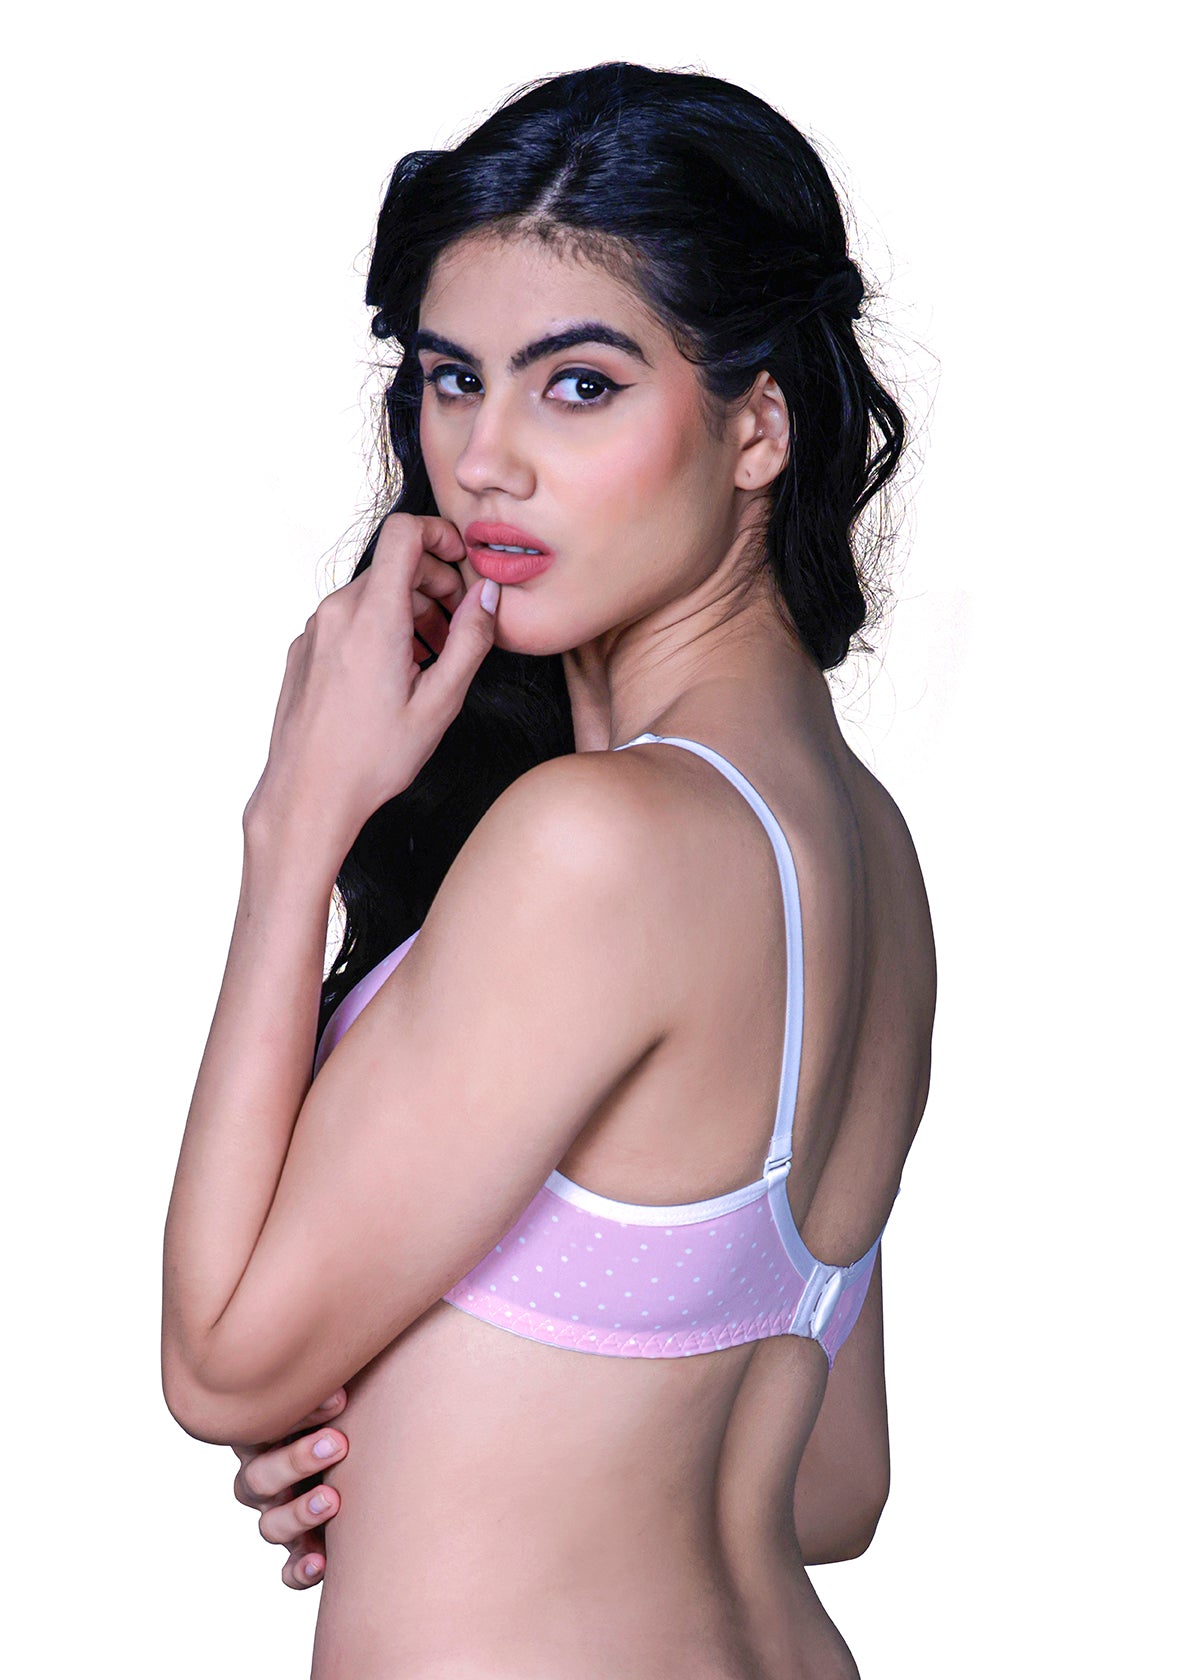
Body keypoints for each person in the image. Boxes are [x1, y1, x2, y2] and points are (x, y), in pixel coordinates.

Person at [161, 60, 936, 1680]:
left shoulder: (599, 845)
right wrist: (415, 1433)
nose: (484, 459)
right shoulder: (863, 847)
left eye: (578, 385)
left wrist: (295, 828)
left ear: (758, 427)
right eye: (453, 380)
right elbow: (831, 1484)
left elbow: (222, 1363)